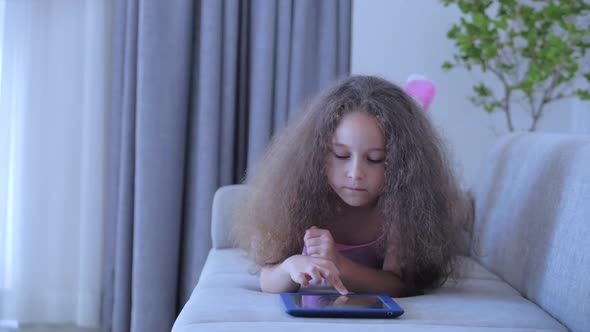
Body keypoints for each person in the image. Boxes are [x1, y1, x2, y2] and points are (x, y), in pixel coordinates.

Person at [232, 75, 470, 297]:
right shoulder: (302, 199)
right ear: (318, 155)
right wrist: (289, 268)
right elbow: (268, 280)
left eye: (376, 159)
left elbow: (399, 285)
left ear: (402, 165)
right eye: (341, 155)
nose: (356, 174)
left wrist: (340, 264)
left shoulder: (398, 209)